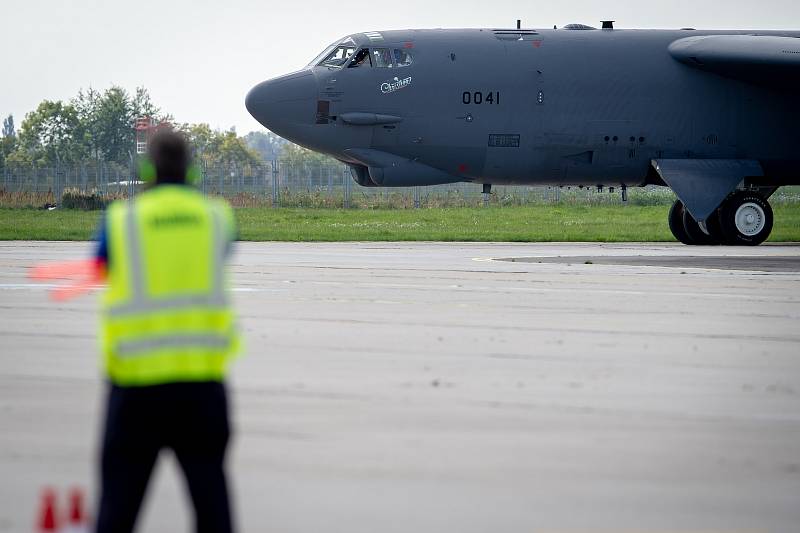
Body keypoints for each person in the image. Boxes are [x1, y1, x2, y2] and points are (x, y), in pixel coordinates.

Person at [93, 130, 240, 532]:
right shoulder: (216, 216)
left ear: (145, 170)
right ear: (191, 170)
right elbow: (226, 248)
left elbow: (101, 261)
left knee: (118, 505)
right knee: (212, 503)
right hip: (201, 385)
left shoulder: (122, 220)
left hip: (136, 387)